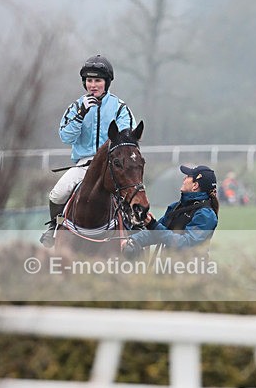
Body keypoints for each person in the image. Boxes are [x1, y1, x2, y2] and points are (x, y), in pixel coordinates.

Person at [40, 54, 136, 247]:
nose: (93, 85)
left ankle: (136, 226)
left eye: (98, 80)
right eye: (89, 81)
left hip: (112, 166)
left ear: (106, 83)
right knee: (57, 194)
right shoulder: (75, 107)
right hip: (83, 165)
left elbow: (128, 135)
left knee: (132, 191)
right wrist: (80, 115)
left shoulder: (119, 108)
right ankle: (53, 226)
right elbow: (65, 136)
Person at [123, 164, 218, 257]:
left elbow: (186, 244)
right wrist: (133, 240)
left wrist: (154, 225)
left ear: (195, 185)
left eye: (188, 176)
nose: (184, 179)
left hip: (190, 270)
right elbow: (156, 233)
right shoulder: (176, 207)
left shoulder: (206, 215)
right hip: (168, 267)